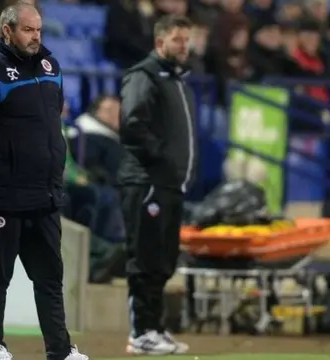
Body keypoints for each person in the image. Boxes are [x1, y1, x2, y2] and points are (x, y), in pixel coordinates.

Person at [0, 3, 88, 360]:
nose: (36, 36)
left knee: (49, 280)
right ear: (7, 31)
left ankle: (60, 350)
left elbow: (50, 122)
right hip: (5, 198)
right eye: (28, 30)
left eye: (39, 30)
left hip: (44, 195)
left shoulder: (50, 66)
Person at [117, 14, 198, 355]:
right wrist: (162, 160)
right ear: (160, 41)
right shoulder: (144, 75)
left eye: (186, 40)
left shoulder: (176, 79)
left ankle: (154, 328)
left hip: (169, 184)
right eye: (177, 40)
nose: (184, 46)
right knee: (145, 259)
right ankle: (140, 332)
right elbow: (133, 125)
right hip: (148, 182)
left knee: (163, 260)